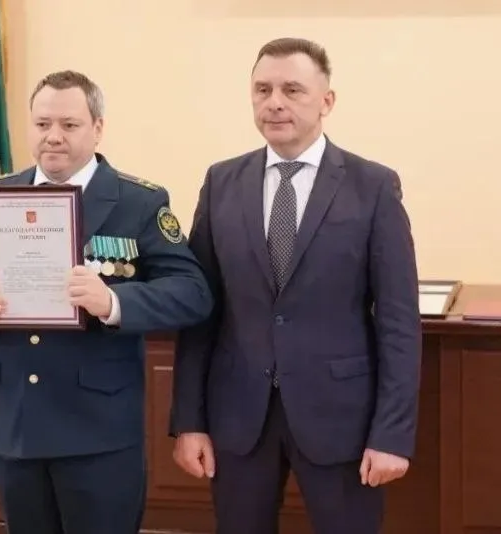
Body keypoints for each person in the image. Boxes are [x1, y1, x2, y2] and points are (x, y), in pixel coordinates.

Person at [0, 70, 213, 534]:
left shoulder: (138, 201)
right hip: (18, 425)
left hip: (97, 431)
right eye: (42, 124)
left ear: (97, 128)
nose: (54, 137)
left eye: (69, 124)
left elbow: (193, 293)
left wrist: (113, 301)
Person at [170, 37, 422, 534]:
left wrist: (392, 434)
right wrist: (189, 421)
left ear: (326, 101)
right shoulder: (221, 182)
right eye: (262, 89)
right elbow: (202, 312)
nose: (275, 102)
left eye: (292, 90)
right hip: (239, 420)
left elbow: (398, 320)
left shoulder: (372, 186)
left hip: (342, 422)